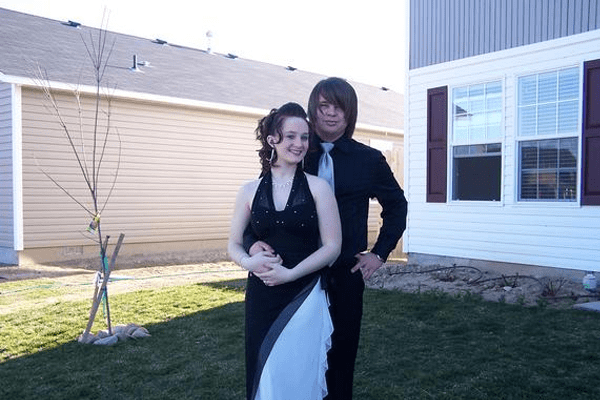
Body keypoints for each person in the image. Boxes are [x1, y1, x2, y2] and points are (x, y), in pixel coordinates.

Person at [248, 78, 408, 399]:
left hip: (344, 276)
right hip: (295, 274)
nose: (332, 114)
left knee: (340, 357)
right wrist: (254, 243)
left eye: (340, 107)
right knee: (295, 357)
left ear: (350, 113)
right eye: (324, 106)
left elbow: (397, 206)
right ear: (313, 110)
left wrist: (379, 254)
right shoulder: (294, 151)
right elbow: (260, 205)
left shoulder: (369, 160)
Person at [228, 102, 342, 400]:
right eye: (290, 136)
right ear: (272, 140)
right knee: (267, 373)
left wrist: (290, 273)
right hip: (262, 295)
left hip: (304, 293)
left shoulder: (319, 188)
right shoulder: (248, 190)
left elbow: (332, 247)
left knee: (299, 371)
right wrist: (248, 262)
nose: (299, 144)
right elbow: (232, 243)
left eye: (304, 137)